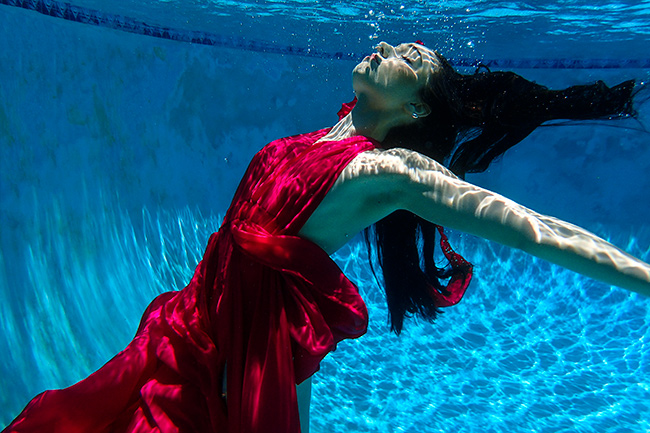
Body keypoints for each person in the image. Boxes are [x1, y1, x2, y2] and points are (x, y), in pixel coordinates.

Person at [4, 42, 649, 433]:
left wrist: (641, 276)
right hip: (195, 319)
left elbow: (544, 233)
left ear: (415, 108)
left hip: (231, 353)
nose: (388, 49)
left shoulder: (395, 173)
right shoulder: (339, 127)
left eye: (409, 60)